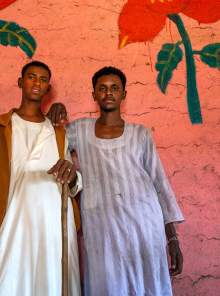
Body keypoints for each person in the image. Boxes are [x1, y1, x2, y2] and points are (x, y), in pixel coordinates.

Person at [47, 66, 184, 296]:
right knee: (108, 285)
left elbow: (159, 183)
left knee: (148, 286)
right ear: (94, 95)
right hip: (102, 228)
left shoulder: (140, 133)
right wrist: (52, 115)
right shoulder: (78, 130)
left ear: (123, 94)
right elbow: (45, 141)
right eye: (102, 88)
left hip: (144, 225)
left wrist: (172, 238)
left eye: (114, 88)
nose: (108, 93)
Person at [0, 61, 82, 296]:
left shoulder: (58, 131)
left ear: (48, 88)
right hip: (11, 222)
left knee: (51, 283)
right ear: (20, 82)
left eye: (43, 79)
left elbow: (72, 181)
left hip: (53, 226)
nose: (36, 83)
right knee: (3, 284)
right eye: (31, 77)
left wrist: (72, 177)